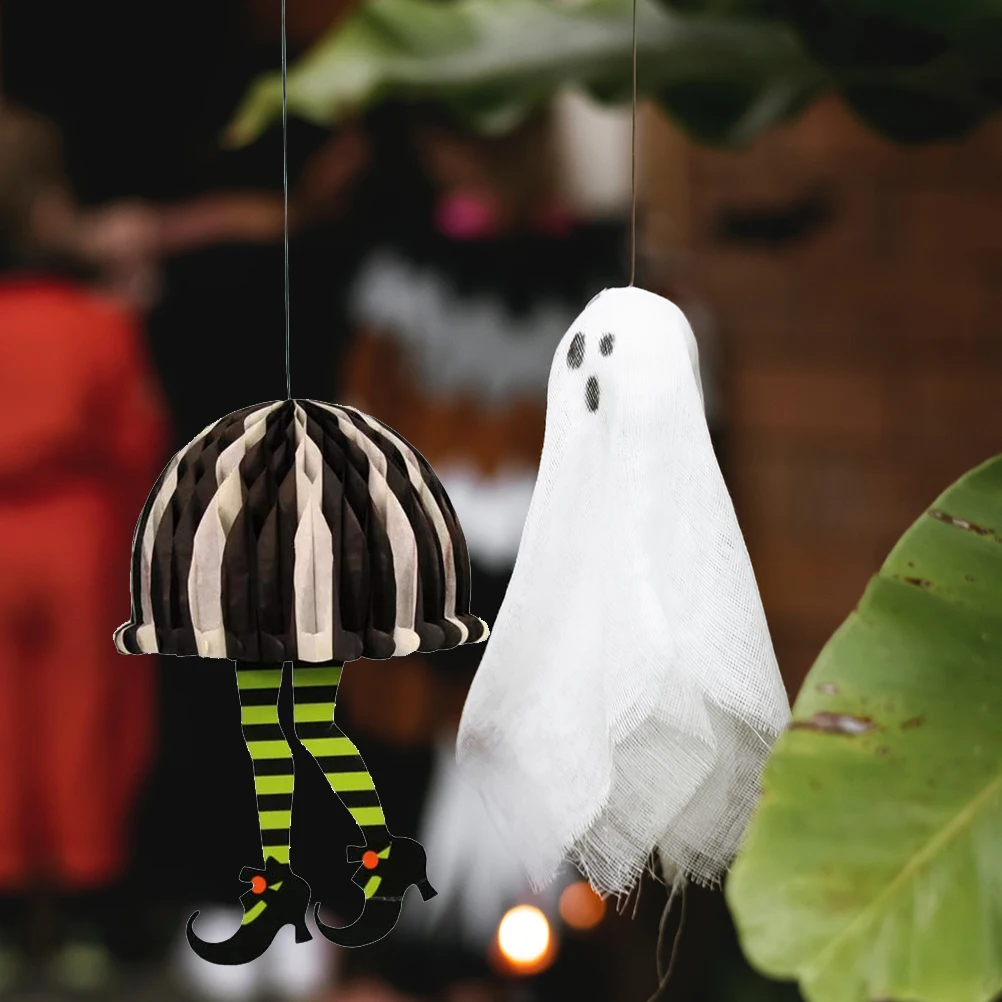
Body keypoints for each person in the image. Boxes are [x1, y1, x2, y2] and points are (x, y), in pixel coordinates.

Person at [0, 104, 169, 992]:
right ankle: (88, 916)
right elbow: (140, 445)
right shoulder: (97, 324)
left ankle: (7, 923)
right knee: (86, 726)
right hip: (76, 541)